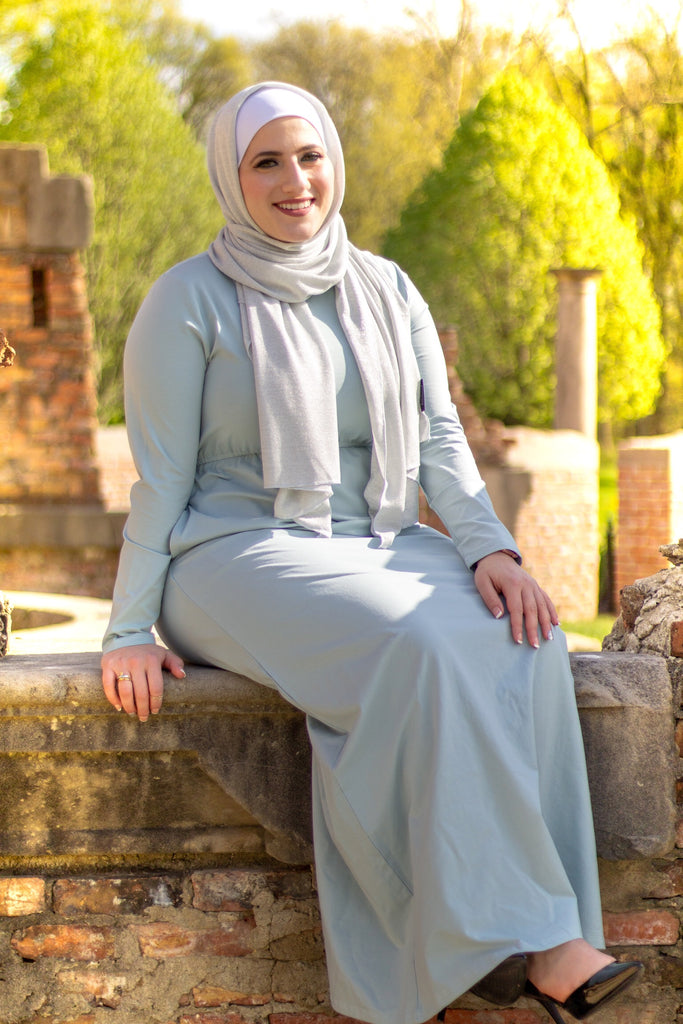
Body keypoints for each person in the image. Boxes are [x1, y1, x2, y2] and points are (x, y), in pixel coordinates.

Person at [101, 82, 642, 1024]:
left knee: (529, 637)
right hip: (233, 552)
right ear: (231, 179)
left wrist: (492, 551)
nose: (295, 180)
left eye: (308, 155)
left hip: (379, 537)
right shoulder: (185, 299)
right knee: (418, 644)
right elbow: (158, 479)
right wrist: (125, 627)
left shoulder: (386, 286)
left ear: (333, 162)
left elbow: (437, 440)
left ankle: (488, 939)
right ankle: (538, 942)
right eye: (264, 160)